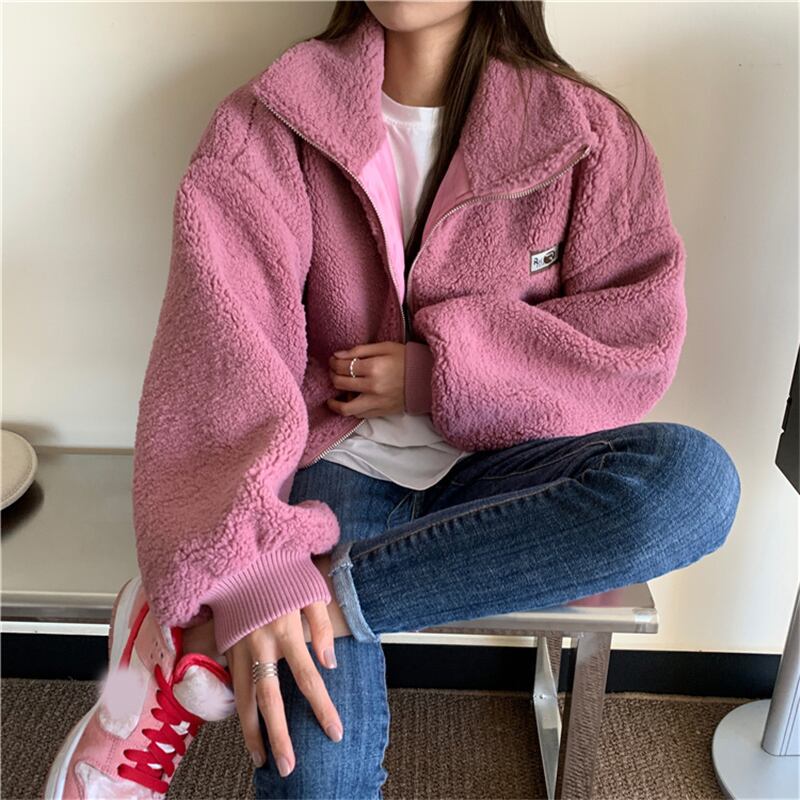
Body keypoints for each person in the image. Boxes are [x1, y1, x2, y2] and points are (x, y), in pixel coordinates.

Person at [43, 2, 742, 799]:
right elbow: (218, 358)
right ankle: (268, 605)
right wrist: (258, 563)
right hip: (340, 470)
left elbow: (630, 350)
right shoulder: (266, 125)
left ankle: (246, 621)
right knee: (317, 781)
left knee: (694, 485)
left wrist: (436, 374)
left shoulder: (588, 136)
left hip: (514, 476)